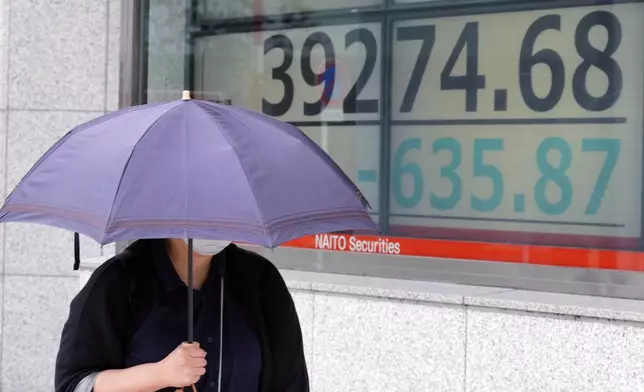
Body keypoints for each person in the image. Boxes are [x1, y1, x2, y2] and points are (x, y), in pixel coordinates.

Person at [54, 238, 309, 392]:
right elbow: (75, 384)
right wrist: (159, 374)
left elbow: (290, 384)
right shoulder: (118, 282)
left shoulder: (259, 280)